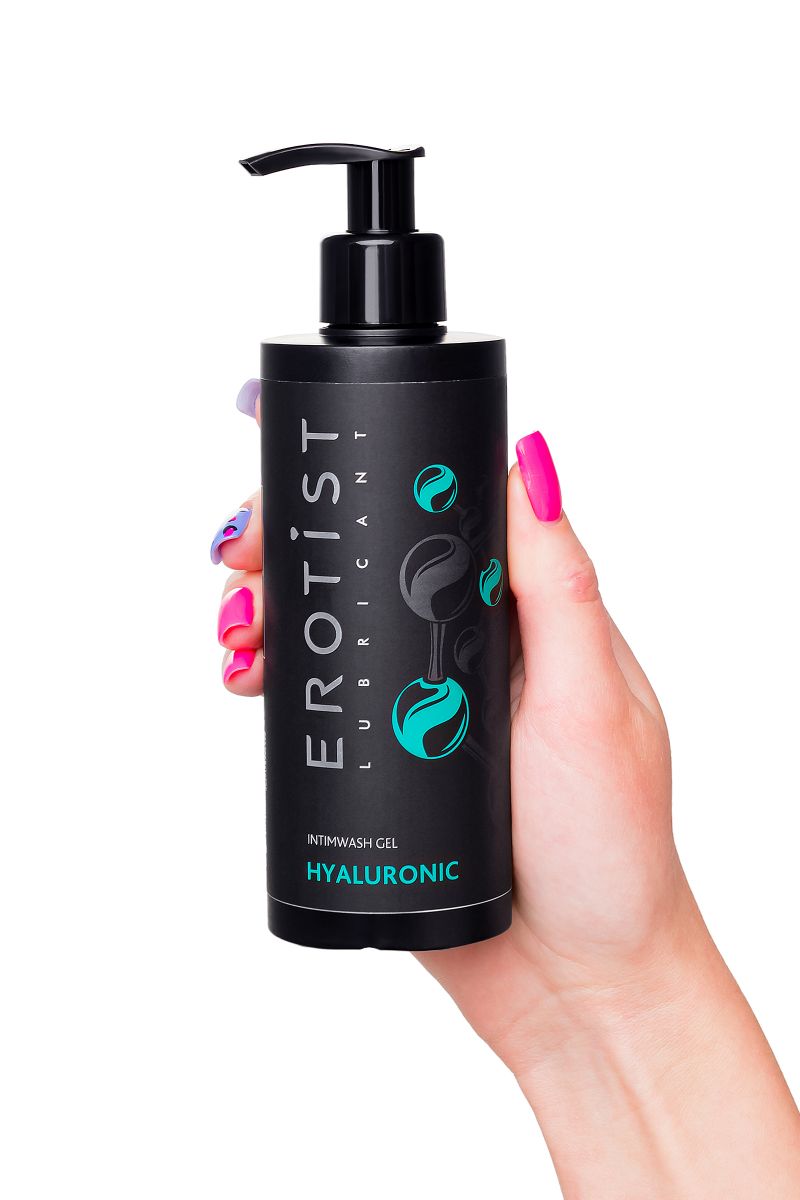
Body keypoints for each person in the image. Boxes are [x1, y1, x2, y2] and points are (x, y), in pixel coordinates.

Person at [212, 379, 800, 1197]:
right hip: (423, 875)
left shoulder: (457, 377)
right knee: (323, 569)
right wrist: (610, 996)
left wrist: (626, 977)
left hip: (498, 876)